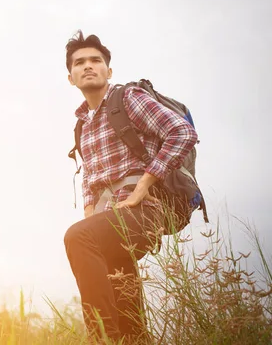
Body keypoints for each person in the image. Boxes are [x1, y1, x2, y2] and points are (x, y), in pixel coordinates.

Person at [62, 30, 198, 343]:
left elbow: (181, 133)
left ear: (108, 71)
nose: (88, 66)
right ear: (70, 77)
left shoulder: (128, 99)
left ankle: (102, 340)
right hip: (112, 218)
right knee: (127, 312)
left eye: (96, 60)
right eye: (79, 62)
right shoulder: (82, 124)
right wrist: (91, 218)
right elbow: (90, 180)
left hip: (144, 209)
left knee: (77, 238)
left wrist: (144, 185)